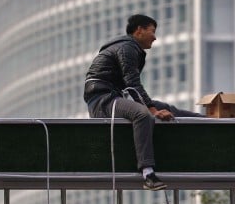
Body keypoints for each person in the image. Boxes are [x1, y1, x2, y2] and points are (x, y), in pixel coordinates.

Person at [84, 14, 200, 190]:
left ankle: (207, 120)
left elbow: (131, 88)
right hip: (103, 100)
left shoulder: (130, 48)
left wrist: (155, 108)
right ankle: (148, 173)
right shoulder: (127, 48)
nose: (155, 37)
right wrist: (152, 110)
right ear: (139, 30)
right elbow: (132, 84)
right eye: (152, 31)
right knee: (142, 114)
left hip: (115, 97)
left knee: (166, 108)